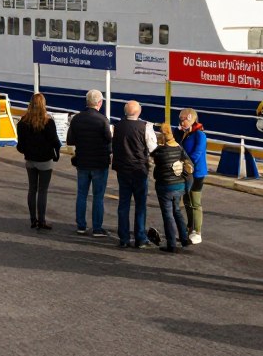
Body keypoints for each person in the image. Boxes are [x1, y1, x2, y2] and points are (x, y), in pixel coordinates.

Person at [111, 100, 157, 248]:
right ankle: (140, 238)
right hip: (139, 169)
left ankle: (124, 238)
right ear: (139, 111)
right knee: (140, 205)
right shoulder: (145, 127)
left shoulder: (116, 127)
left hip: (122, 169)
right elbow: (152, 148)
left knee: (123, 204)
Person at [66, 89, 112, 237]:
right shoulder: (103, 120)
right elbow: (109, 142)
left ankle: (81, 225)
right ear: (99, 103)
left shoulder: (77, 119)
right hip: (99, 163)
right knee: (98, 196)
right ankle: (97, 228)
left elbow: (70, 141)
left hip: (82, 162)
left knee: (82, 195)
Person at [15, 93, 61, 230]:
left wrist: (26, 151)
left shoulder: (23, 122)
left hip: (30, 160)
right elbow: (55, 142)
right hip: (45, 160)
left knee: (32, 189)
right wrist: (56, 155)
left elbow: (20, 144)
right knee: (42, 191)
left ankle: (32, 220)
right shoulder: (48, 122)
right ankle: (42, 220)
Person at [149, 123, 191, 253]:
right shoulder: (179, 147)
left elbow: (155, 168)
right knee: (177, 211)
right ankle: (184, 238)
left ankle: (171, 244)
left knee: (168, 215)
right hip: (180, 186)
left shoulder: (160, 150)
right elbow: (188, 163)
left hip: (165, 187)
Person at [179, 108, 208, 244]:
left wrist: (186, 163)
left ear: (190, 119)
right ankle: (189, 226)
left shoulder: (199, 135)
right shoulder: (185, 133)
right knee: (186, 201)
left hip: (196, 173)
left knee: (195, 202)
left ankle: (197, 230)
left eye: (183, 119)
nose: (181, 122)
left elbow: (197, 154)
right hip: (185, 172)